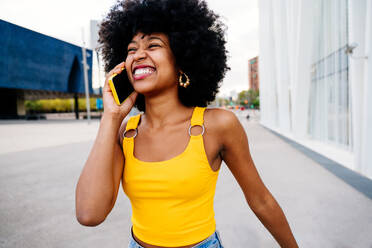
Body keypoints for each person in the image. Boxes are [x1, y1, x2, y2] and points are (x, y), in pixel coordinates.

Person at [75, 0, 298, 247]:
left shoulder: (218, 125)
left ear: (181, 59)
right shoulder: (124, 132)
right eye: (131, 50)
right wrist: (111, 117)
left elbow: (261, 200)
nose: (138, 55)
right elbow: (89, 214)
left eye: (153, 45)